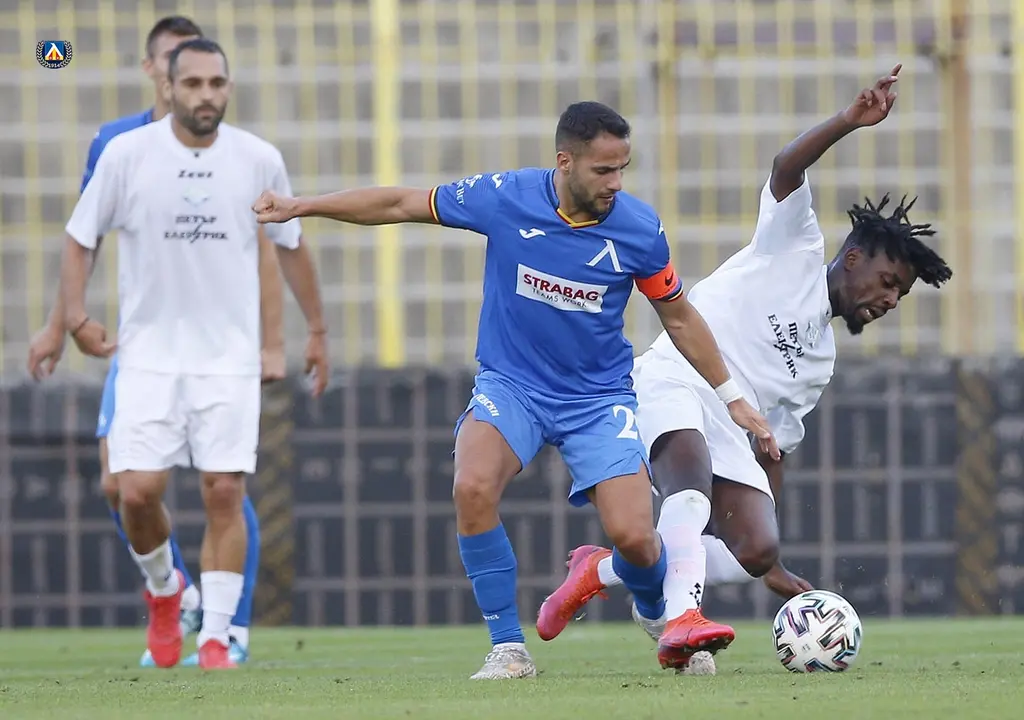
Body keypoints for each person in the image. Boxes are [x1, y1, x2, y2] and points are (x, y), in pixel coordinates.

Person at [253, 100, 778, 679]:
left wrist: (731, 396)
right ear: (565, 162)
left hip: (597, 400)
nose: (616, 183)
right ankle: (508, 647)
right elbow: (401, 203)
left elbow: (677, 316)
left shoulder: (639, 229)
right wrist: (302, 205)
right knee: (472, 486)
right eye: (604, 170)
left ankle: (655, 611)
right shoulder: (506, 197)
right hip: (513, 386)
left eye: (622, 169)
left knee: (636, 539)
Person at [535, 64, 953, 672]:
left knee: (751, 550)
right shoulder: (795, 247)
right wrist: (848, 120)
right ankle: (681, 621)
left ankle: (597, 570)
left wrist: (768, 556)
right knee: (689, 490)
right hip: (676, 378)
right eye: (888, 281)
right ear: (853, 258)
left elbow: (771, 447)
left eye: (901, 295)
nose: (889, 299)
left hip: (731, 427)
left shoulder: (821, 361)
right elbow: (786, 168)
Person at [58, 37, 328, 670]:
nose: (206, 95)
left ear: (228, 88)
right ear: (168, 87)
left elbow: (290, 246)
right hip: (147, 355)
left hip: (226, 358)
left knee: (223, 490)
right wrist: (73, 317)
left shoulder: (258, 158)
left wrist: (316, 330)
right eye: (193, 83)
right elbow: (80, 237)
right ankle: (165, 590)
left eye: (216, 83)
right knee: (135, 491)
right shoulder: (127, 154)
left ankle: (217, 637)